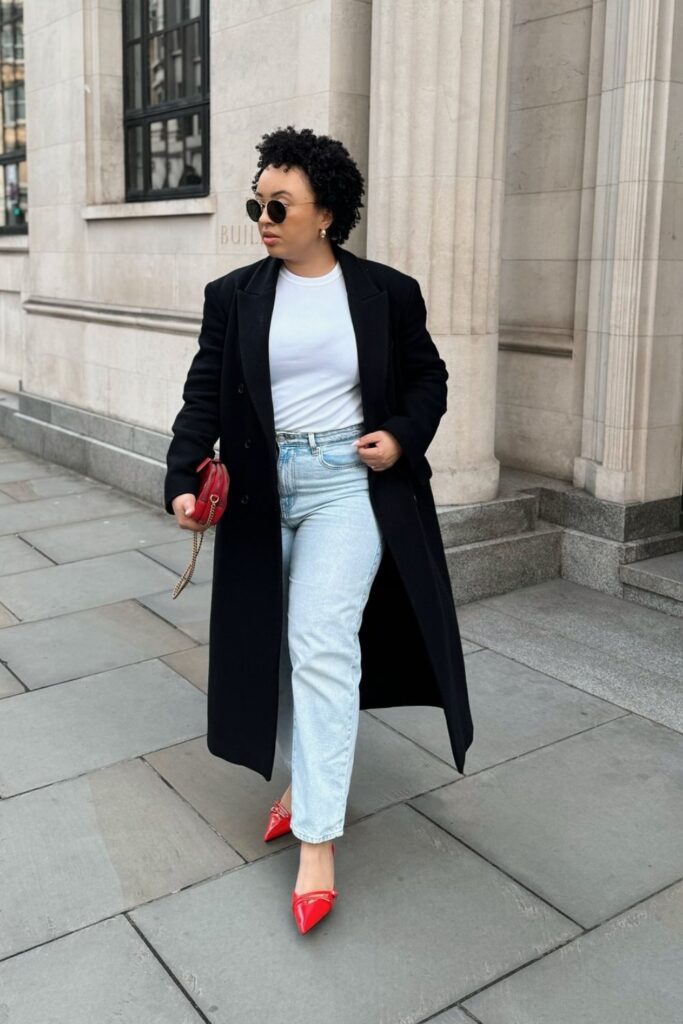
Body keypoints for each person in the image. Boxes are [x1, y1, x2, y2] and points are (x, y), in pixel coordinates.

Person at [165, 125, 474, 935]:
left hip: (348, 486)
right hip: (263, 489)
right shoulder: (233, 295)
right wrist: (181, 476)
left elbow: (427, 378)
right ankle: (304, 781)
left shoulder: (386, 293)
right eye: (255, 203)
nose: (262, 218)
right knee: (276, 644)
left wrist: (402, 434)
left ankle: (317, 839)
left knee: (323, 644)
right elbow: (204, 393)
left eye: (279, 205)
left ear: (326, 213)